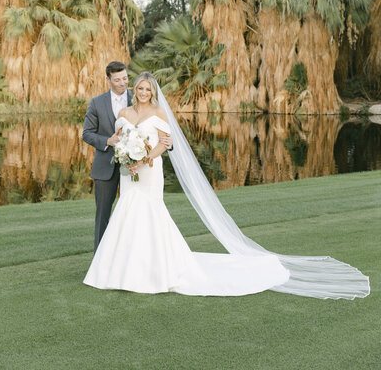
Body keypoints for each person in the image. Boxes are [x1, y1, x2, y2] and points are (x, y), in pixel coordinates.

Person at [84, 71, 370, 299]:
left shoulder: (159, 114)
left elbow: (164, 143)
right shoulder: (124, 115)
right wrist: (126, 156)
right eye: (140, 88)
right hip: (128, 174)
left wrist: (144, 159)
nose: (144, 93)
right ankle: (120, 270)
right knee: (127, 214)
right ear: (135, 90)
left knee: (150, 215)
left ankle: (156, 270)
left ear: (153, 92)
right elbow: (120, 141)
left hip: (148, 172)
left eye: (148, 89)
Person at [82, 62, 171, 252]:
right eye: (117, 80)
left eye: (125, 78)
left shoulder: (139, 96)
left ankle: (138, 255)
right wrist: (108, 141)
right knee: (104, 214)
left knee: (137, 213)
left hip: (139, 170)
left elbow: (162, 137)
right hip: (106, 166)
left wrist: (165, 147)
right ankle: (101, 260)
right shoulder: (97, 103)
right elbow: (87, 133)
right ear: (108, 80)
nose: (122, 83)